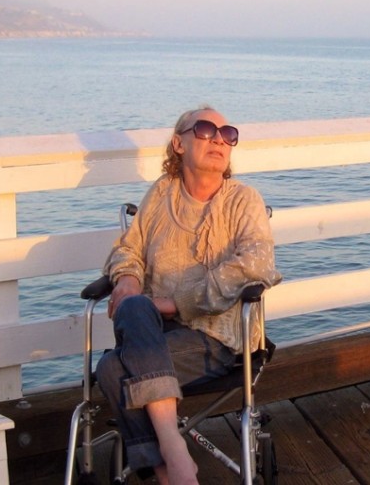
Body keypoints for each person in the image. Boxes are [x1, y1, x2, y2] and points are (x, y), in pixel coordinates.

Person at [96, 106, 281, 485]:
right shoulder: (162, 193)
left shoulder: (243, 200)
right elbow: (128, 248)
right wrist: (127, 277)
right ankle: (173, 450)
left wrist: (175, 303)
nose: (219, 140)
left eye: (228, 134)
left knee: (113, 369)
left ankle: (165, 468)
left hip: (216, 339)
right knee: (134, 305)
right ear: (178, 144)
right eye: (206, 129)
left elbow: (255, 265)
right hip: (154, 332)